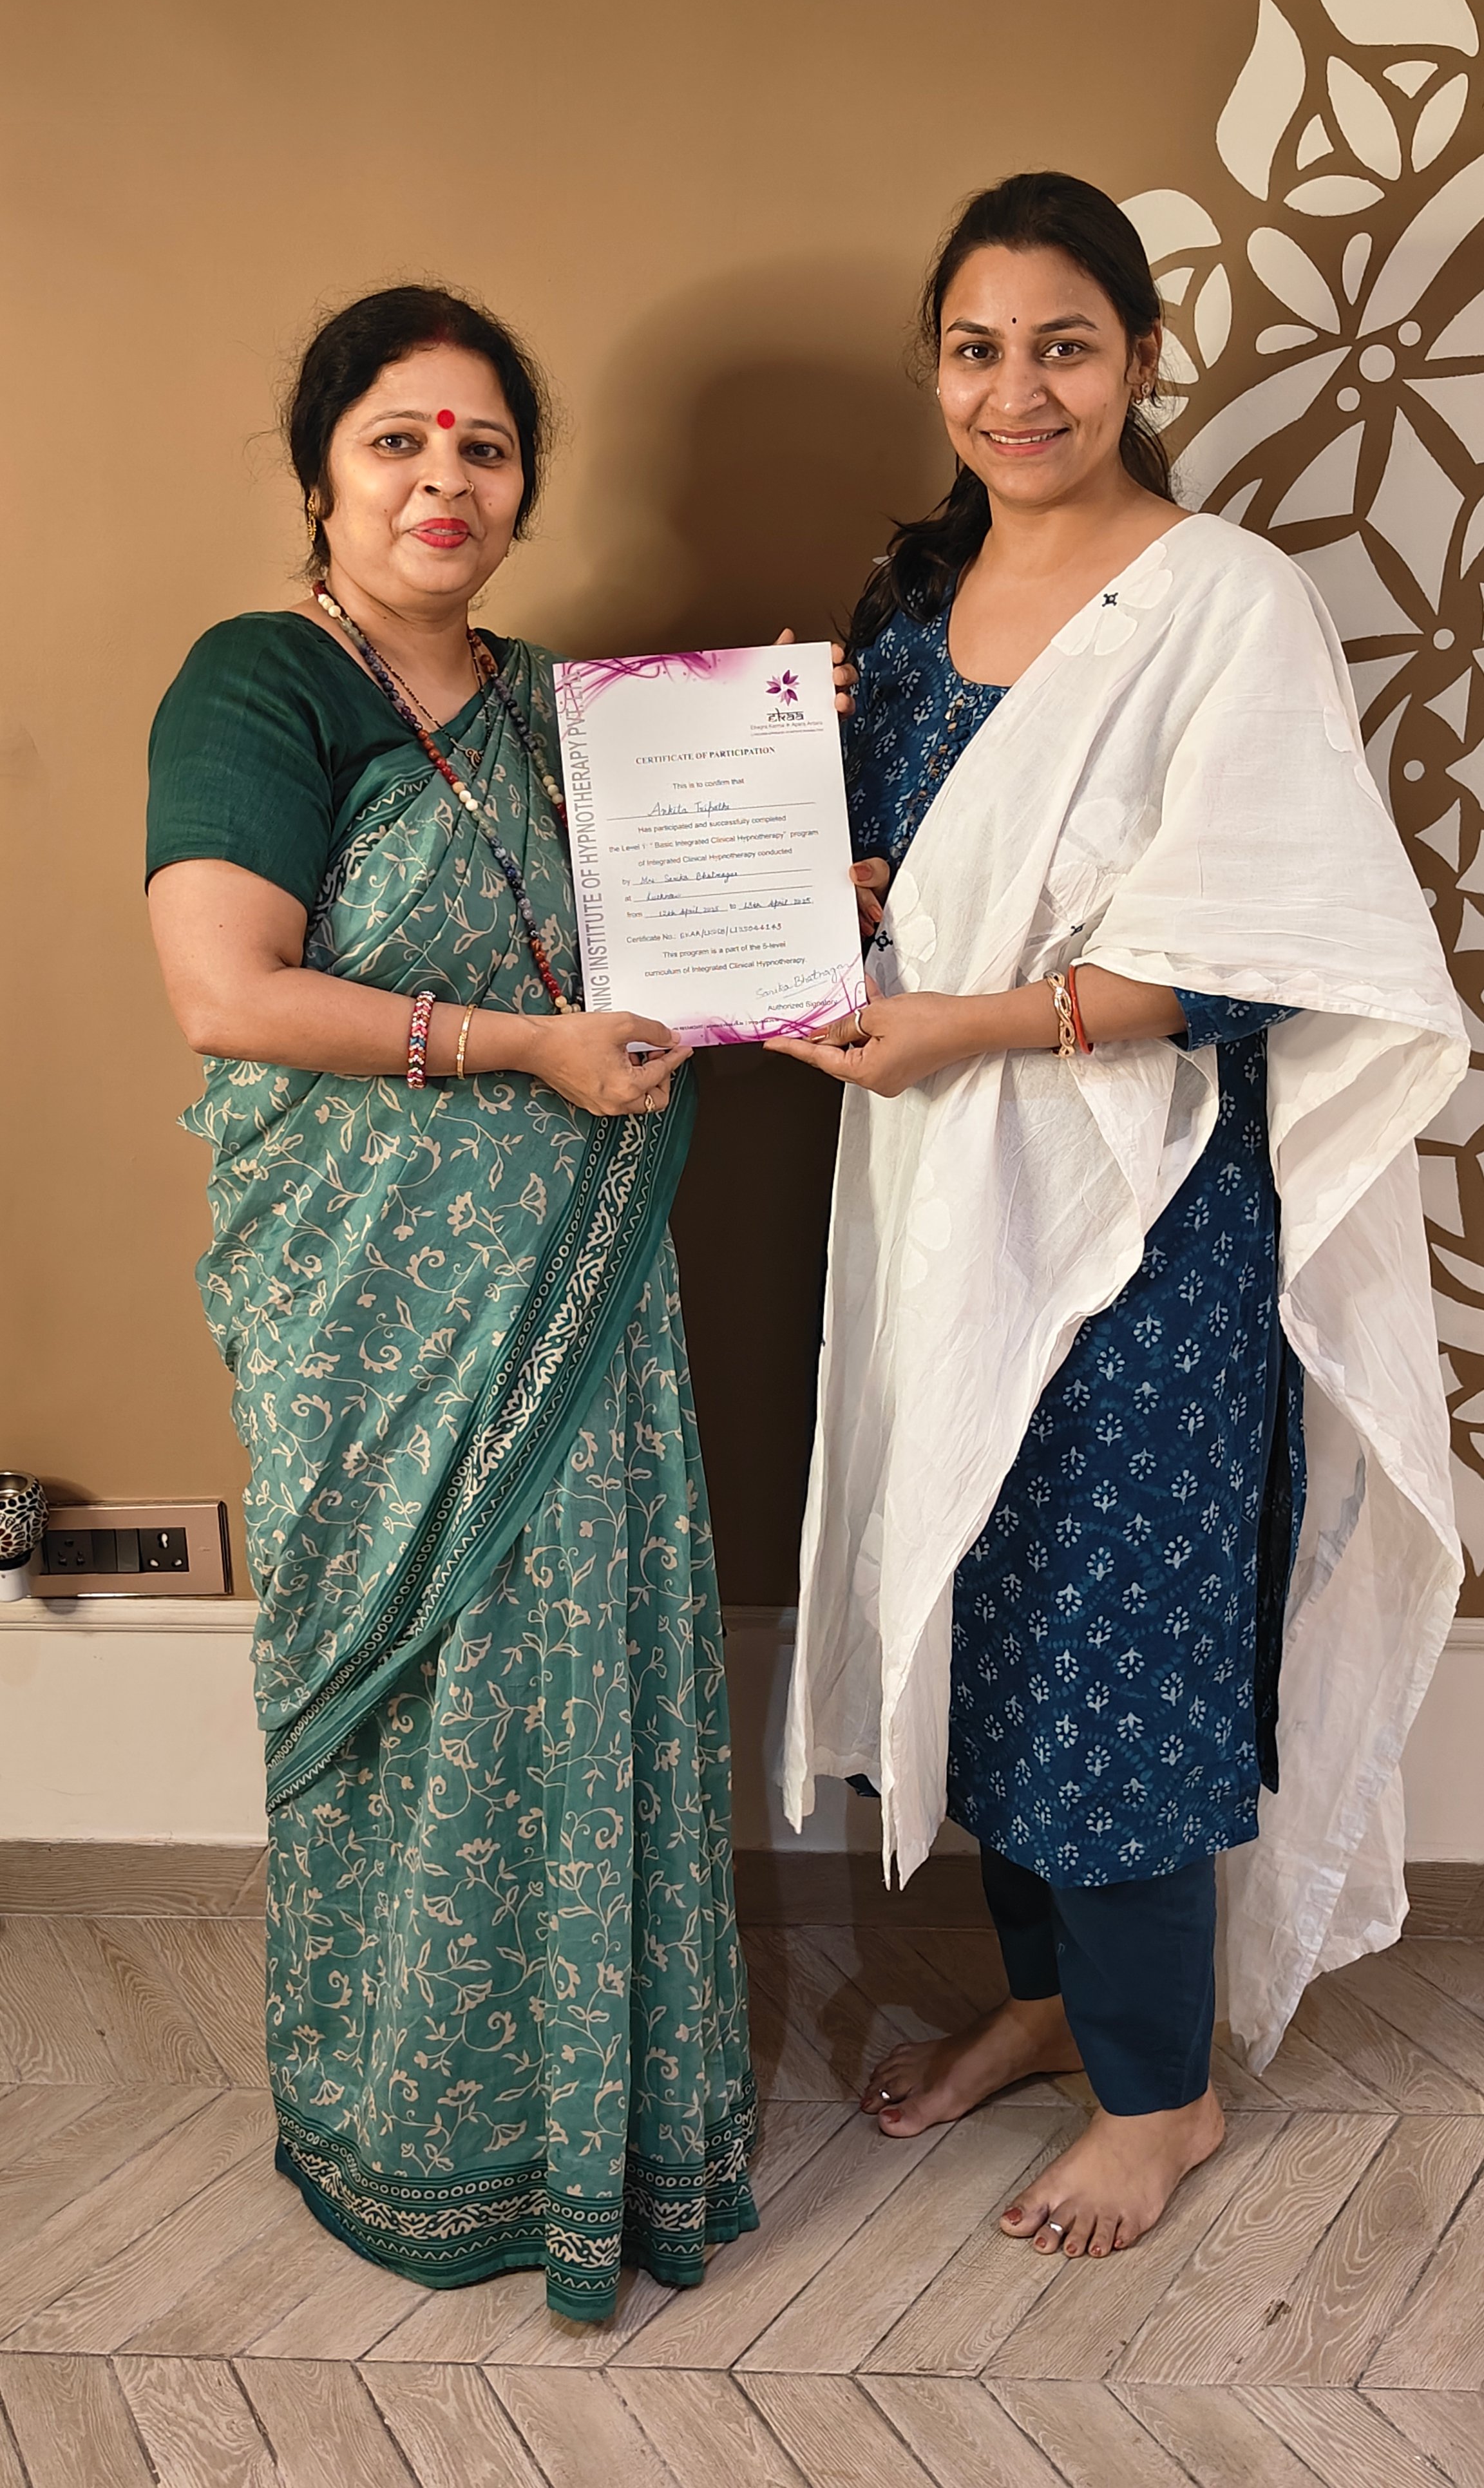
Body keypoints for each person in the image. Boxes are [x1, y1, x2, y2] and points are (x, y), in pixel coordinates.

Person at [772, 175, 1466, 2262]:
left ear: (1141, 361)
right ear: (940, 372)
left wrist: (970, 1018)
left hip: (1145, 1221)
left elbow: (1271, 952)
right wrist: (806, 844)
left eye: (1064, 344)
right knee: (981, 1612)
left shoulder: (1221, 600)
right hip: (943, 1199)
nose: (1019, 389)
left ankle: (1164, 2098)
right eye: (977, 349)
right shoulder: (909, 619)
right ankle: (1062, 2009)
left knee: (1116, 1644)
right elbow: (903, 890)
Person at [146, 284, 825, 2319]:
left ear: (524, 491)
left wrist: (805, 863)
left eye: (485, 448)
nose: (445, 478)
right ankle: (414, 2134)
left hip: (581, 1296)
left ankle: (605, 2123)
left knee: (590, 1680)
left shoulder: (587, 716)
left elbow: (695, 940)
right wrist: (517, 1054)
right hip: (365, 1312)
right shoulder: (260, 684)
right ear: (324, 473)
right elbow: (227, 992)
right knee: (422, 1704)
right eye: (397, 440)